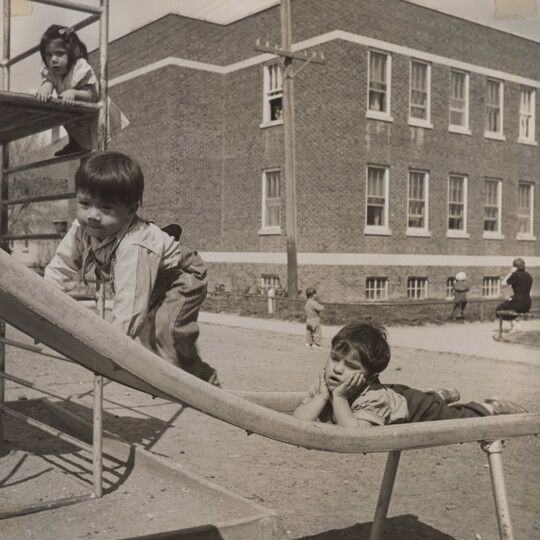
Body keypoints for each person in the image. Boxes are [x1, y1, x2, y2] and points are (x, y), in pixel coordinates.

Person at [44, 151, 220, 385]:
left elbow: (129, 305)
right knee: (151, 345)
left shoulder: (135, 243)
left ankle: (203, 380)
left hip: (182, 278)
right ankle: (183, 375)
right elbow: (62, 266)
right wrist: (43, 304)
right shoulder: (81, 229)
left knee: (167, 335)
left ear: (130, 210)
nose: (92, 215)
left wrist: (113, 354)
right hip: (150, 286)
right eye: (85, 203)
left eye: (106, 208)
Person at [294, 322, 528, 426]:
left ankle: (489, 407)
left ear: (370, 376)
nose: (337, 369)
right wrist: (322, 397)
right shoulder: (326, 382)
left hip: (413, 407)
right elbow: (299, 420)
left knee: (452, 417)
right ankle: (438, 394)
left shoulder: (373, 398)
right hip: (395, 396)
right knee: (412, 394)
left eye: (351, 366)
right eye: (335, 358)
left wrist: (340, 398)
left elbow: (354, 435)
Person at [36, 24, 128, 156]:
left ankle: (90, 155)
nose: (53, 59)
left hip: (95, 113)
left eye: (59, 53)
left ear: (71, 51)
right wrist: (45, 87)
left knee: (95, 149)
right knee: (63, 113)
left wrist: (74, 93)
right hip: (78, 114)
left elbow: (90, 95)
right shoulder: (52, 70)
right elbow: (48, 80)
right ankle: (75, 143)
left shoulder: (80, 67)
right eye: (49, 55)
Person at [496, 258, 533, 334]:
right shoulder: (529, 276)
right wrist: (513, 297)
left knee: (498, 310)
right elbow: (529, 292)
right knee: (511, 309)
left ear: (514, 267)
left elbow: (503, 284)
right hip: (528, 303)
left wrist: (511, 272)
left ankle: (516, 325)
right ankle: (514, 327)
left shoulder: (515, 275)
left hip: (518, 303)